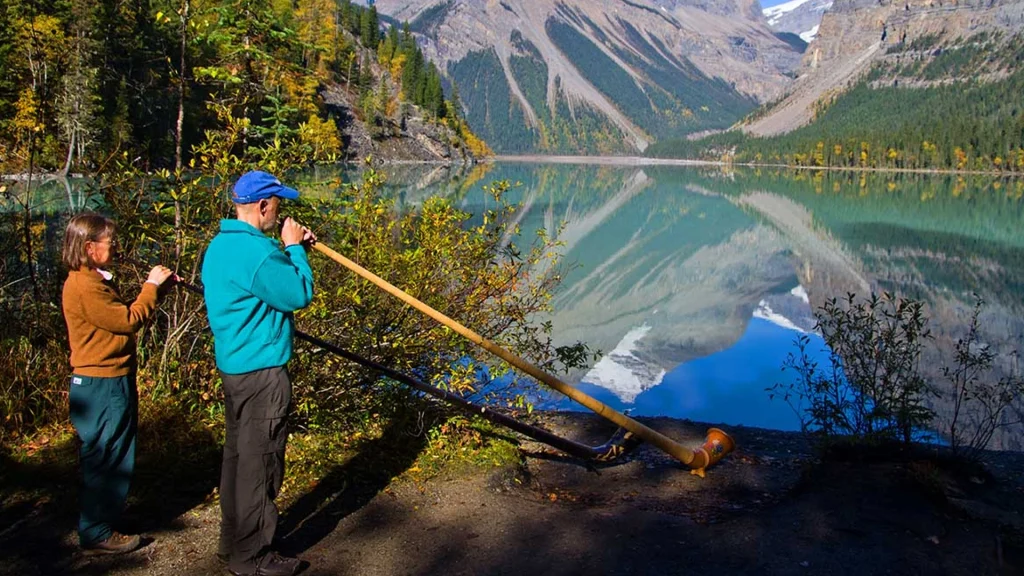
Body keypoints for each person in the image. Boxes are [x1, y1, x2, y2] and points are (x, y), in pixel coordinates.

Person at [202, 170, 315, 576]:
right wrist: (294, 250)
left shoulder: (221, 246)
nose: (280, 210)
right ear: (264, 205)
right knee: (261, 463)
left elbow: (263, 284)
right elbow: (297, 293)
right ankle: (253, 557)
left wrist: (290, 249)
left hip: (234, 369)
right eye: (278, 203)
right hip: (262, 373)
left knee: (237, 460)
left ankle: (233, 543)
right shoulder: (258, 253)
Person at [61, 212, 175, 555]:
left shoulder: (92, 281)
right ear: (89, 247)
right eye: (110, 241)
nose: (116, 247)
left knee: (107, 453)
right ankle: (96, 531)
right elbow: (126, 321)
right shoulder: (85, 287)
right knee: (107, 456)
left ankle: (100, 523)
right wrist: (150, 287)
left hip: (105, 381)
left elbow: (120, 320)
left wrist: (158, 291)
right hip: (102, 385)